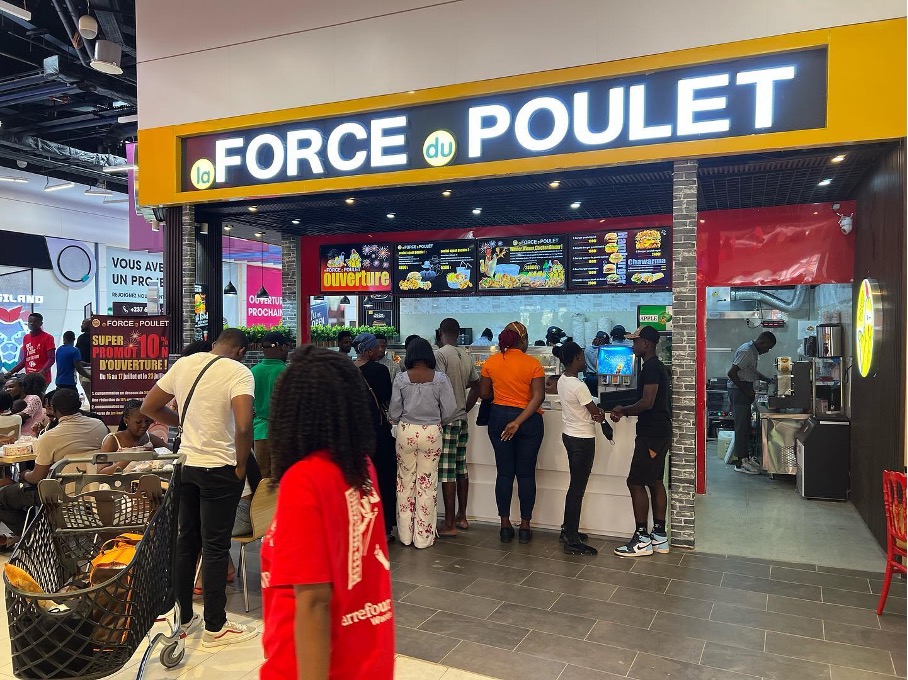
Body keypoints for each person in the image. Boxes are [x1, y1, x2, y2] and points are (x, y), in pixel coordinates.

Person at [260, 346, 394, 679]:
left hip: (307, 667)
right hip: (366, 657)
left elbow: (313, 602)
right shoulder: (360, 468)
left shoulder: (304, 479)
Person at [141, 328, 257, 647]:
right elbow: (244, 425)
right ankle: (215, 626)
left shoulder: (185, 364)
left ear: (215, 343)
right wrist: (242, 465)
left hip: (187, 466)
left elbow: (149, 407)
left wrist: (183, 423)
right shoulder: (239, 372)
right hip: (220, 468)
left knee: (186, 541)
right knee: (215, 547)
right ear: (241, 351)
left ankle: (183, 617)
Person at [0, 389, 108, 548]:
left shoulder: (50, 437)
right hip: (93, 489)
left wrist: (23, 475)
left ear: (54, 409)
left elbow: (37, 478)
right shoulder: (99, 426)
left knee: (3, 496)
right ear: (79, 404)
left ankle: (36, 535)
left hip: (59, 493)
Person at [478, 321, 545, 544]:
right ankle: (525, 527)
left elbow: (484, 394)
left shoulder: (491, 362)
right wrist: (518, 421)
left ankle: (505, 526)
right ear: (522, 340)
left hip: (498, 418)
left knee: (504, 473)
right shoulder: (533, 364)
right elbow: (539, 397)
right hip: (529, 421)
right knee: (526, 474)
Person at [610, 326, 672, 558]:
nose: (633, 345)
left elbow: (647, 402)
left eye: (635, 342)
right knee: (655, 481)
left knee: (635, 482)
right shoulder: (657, 367)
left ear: (646, 343)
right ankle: (659, 536)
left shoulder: (651, 367)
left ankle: (642, 539)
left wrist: (623, 410)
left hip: (652, 433)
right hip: (659, 431)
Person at [388, 338, 456, 548]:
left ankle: (405, 536)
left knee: (404, 482)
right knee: (427, 483)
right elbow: (450, 410)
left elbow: (394, 411)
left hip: (406, 431)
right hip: (431, 432)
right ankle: (423, 538)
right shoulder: (441, 379)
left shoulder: (401, 378)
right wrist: (437, 420)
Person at [557, 342, 606, 556]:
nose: (585, 360)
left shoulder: (563, 380)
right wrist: (601, 414)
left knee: (574, 487)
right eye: (582, 356)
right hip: (583, 440)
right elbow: (596, 414)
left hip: (569, 436)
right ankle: (572, 540)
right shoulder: (579, 386)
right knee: (577, 490)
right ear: (576, 357)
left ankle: (568, 530)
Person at [434, 318, 480, 536]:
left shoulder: (440, 355)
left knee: (446, 471)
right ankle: (462, 516)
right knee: (461, 468)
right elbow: (477, 386)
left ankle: (449, 523)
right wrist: (465, 407)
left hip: (447, 420)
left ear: (440, 332)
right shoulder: (466, 355)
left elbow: (438, 385)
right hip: (461, 419)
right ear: (458, 333)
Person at [353, 333, 397, 538]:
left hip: (355, 433)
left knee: (360, 480)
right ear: (369, 350)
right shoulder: (380, 370)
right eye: (376, 348)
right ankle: (384, 526)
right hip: (378, 432)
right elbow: (387, 397)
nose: (380, 350)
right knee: (383, 478)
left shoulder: (347, 370)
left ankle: (361, 525)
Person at [727, 331, 777, 474]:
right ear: (762, 342)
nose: (767, 351)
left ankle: (746, 458)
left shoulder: (753, 351)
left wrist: (768, 380)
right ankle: (740, 463)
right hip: (739, 390)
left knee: (746, 426)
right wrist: (746, 391)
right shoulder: (747, 351)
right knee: (741, 427)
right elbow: (731, 373)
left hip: (744, 389)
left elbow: (751, 371)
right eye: (768, 347)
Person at [251, 331, 289, 479]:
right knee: (281, 478)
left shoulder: (253, 372)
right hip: (282, 432)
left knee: (263, 479)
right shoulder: (287, 372)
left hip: (259, 431)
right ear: (282, 347)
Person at [98, 400, 170, 474]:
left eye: (147, 421)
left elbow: (170, 455)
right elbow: (101, 473)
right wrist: (131, 458)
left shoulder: (149, 438)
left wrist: (155, 454)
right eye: (138, 422)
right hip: (119, 480)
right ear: (126, 421)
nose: (144, 425)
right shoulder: (113, 440)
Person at [3, 313, 55, 386]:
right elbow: (24, 360)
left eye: (35, 322)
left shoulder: (48, 337)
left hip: (42, 378)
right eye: (30, 321)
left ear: (41, 324)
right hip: (29, 378)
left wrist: (42, 372)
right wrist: (11, 372)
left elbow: (51, 359)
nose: (31, 323)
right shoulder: (26, 338)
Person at [583, 331, 610, 395]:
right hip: (600, 378)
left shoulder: (587, 349)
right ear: (603, 341)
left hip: (589, 377)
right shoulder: (603, 351)